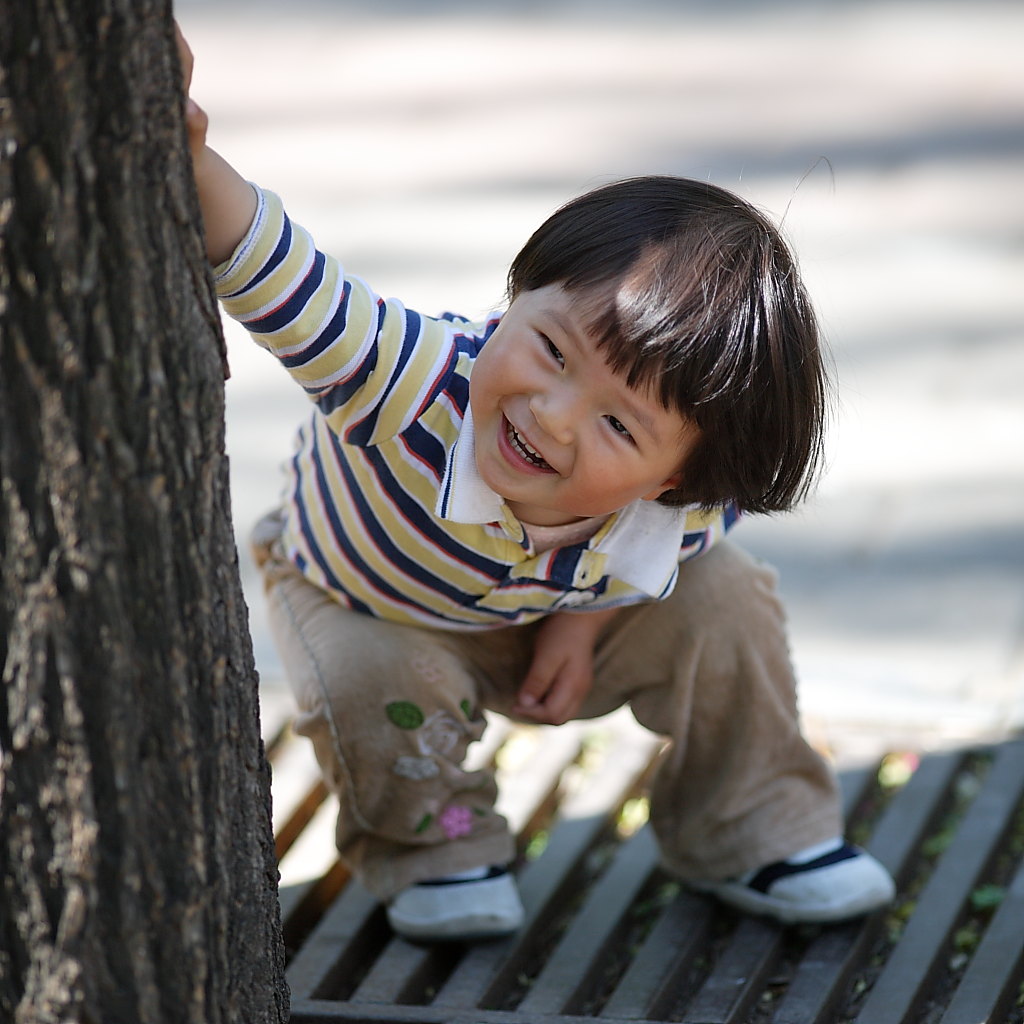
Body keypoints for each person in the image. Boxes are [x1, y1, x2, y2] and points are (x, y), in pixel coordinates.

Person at [178, 28, 895, 941]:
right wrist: (191, 155)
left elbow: (717, 519)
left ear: (675, 475)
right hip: (367, 599)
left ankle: (753, 824)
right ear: (516, 294)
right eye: (551, 349)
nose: (552, 414)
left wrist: (586, 617)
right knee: (373, 678)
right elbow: (281, 271)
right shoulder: (414, 382)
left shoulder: (694, 502)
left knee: (730, 598)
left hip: (544, 605)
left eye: (617, 423)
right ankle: (437, 843)